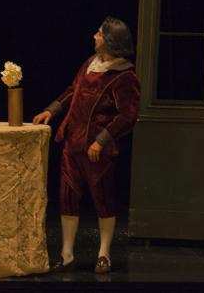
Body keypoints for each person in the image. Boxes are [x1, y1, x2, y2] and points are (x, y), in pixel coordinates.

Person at [33, 16, 140, 274]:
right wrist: (51, 110)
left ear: (110, 41)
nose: (94, 36)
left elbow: (127, 116)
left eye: (100, 34)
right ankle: (67, 254)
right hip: (72, 143)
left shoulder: (123, 76)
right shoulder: (90, 64)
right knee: (67, 197)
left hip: (96, 149)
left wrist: (101, 140)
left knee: (103, 198)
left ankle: (104, 254)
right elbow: (73, 90)